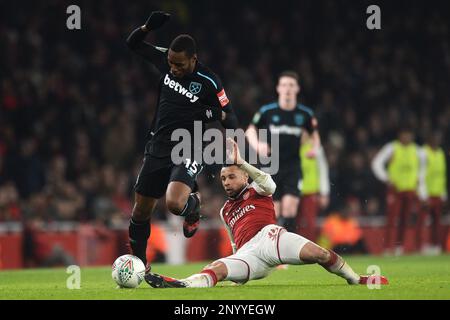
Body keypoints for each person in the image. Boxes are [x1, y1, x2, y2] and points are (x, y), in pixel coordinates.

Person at [144, 139, 388, 288]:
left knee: (320, 253)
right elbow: (233, 241)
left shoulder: (257, 188)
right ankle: (182, 284)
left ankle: (355, 279)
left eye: (231, 176)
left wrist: (241, 161)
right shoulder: (224, 210)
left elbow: (269, 182)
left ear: (244, 176)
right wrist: (235, 262)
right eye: (223, 179)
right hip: (249, 254)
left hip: (272, 238)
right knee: (217, 269)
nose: (226, 182)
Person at [126, 11, 239, 270]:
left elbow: (231, 118)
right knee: (140, 212)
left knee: (174, 204)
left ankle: (193, 205)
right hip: (158, 144)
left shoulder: (209, 81)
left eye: (179, 65)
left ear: (193, 59)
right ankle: (140, 265)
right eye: (171, 64)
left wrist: (211, 113)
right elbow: (132, 45)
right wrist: (146, 27)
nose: (174, 69)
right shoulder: (167, 60)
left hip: (190, 145)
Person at [245, 71, 321, 233]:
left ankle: (286, 249)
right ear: (278, 88)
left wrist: (314, 149)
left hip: (293, 166)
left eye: (291, 85)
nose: (288, 89)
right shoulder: (268, 111)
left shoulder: (305, 114)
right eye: (284, 85)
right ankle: (274, 249)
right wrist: (258, 145)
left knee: (290, 210)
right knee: (275, 210)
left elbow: (315, 136)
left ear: (297, 89)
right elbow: (250, 130)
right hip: (271, 166)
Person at [371, 127, 424, 255]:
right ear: (399, 135)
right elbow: (376, 163)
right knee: (391, 218)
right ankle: (388, 248)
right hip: (395, 190)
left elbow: (422, 170)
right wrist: (386, 178)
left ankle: (399, 247)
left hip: (410, 190)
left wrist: (420, 186)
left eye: (409, 134)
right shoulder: (391, 148)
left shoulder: (417, 151)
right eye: (404, 134)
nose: (407, 137)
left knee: (405, 219)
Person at [417, 132, 447, 254]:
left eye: (438, 138)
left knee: (437, 222)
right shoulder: (423, 152)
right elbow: (420, 174)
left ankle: (435, 246)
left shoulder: (440, 153)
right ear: (429, 139)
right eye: (434, 138)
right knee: (422, 221)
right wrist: (423, 194)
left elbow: (442, 175)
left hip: (438, 193)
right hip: (426, 193)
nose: (437, 141)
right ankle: (420, 245)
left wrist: (444, 194)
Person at [297, 131, 330, 241]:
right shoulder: (292, 147)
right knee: (294, 221)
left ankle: (311, 250)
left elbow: (323, 170)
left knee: (310, 222)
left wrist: (324, 193)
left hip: (310, 191)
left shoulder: (315, 148)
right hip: (294, 191)